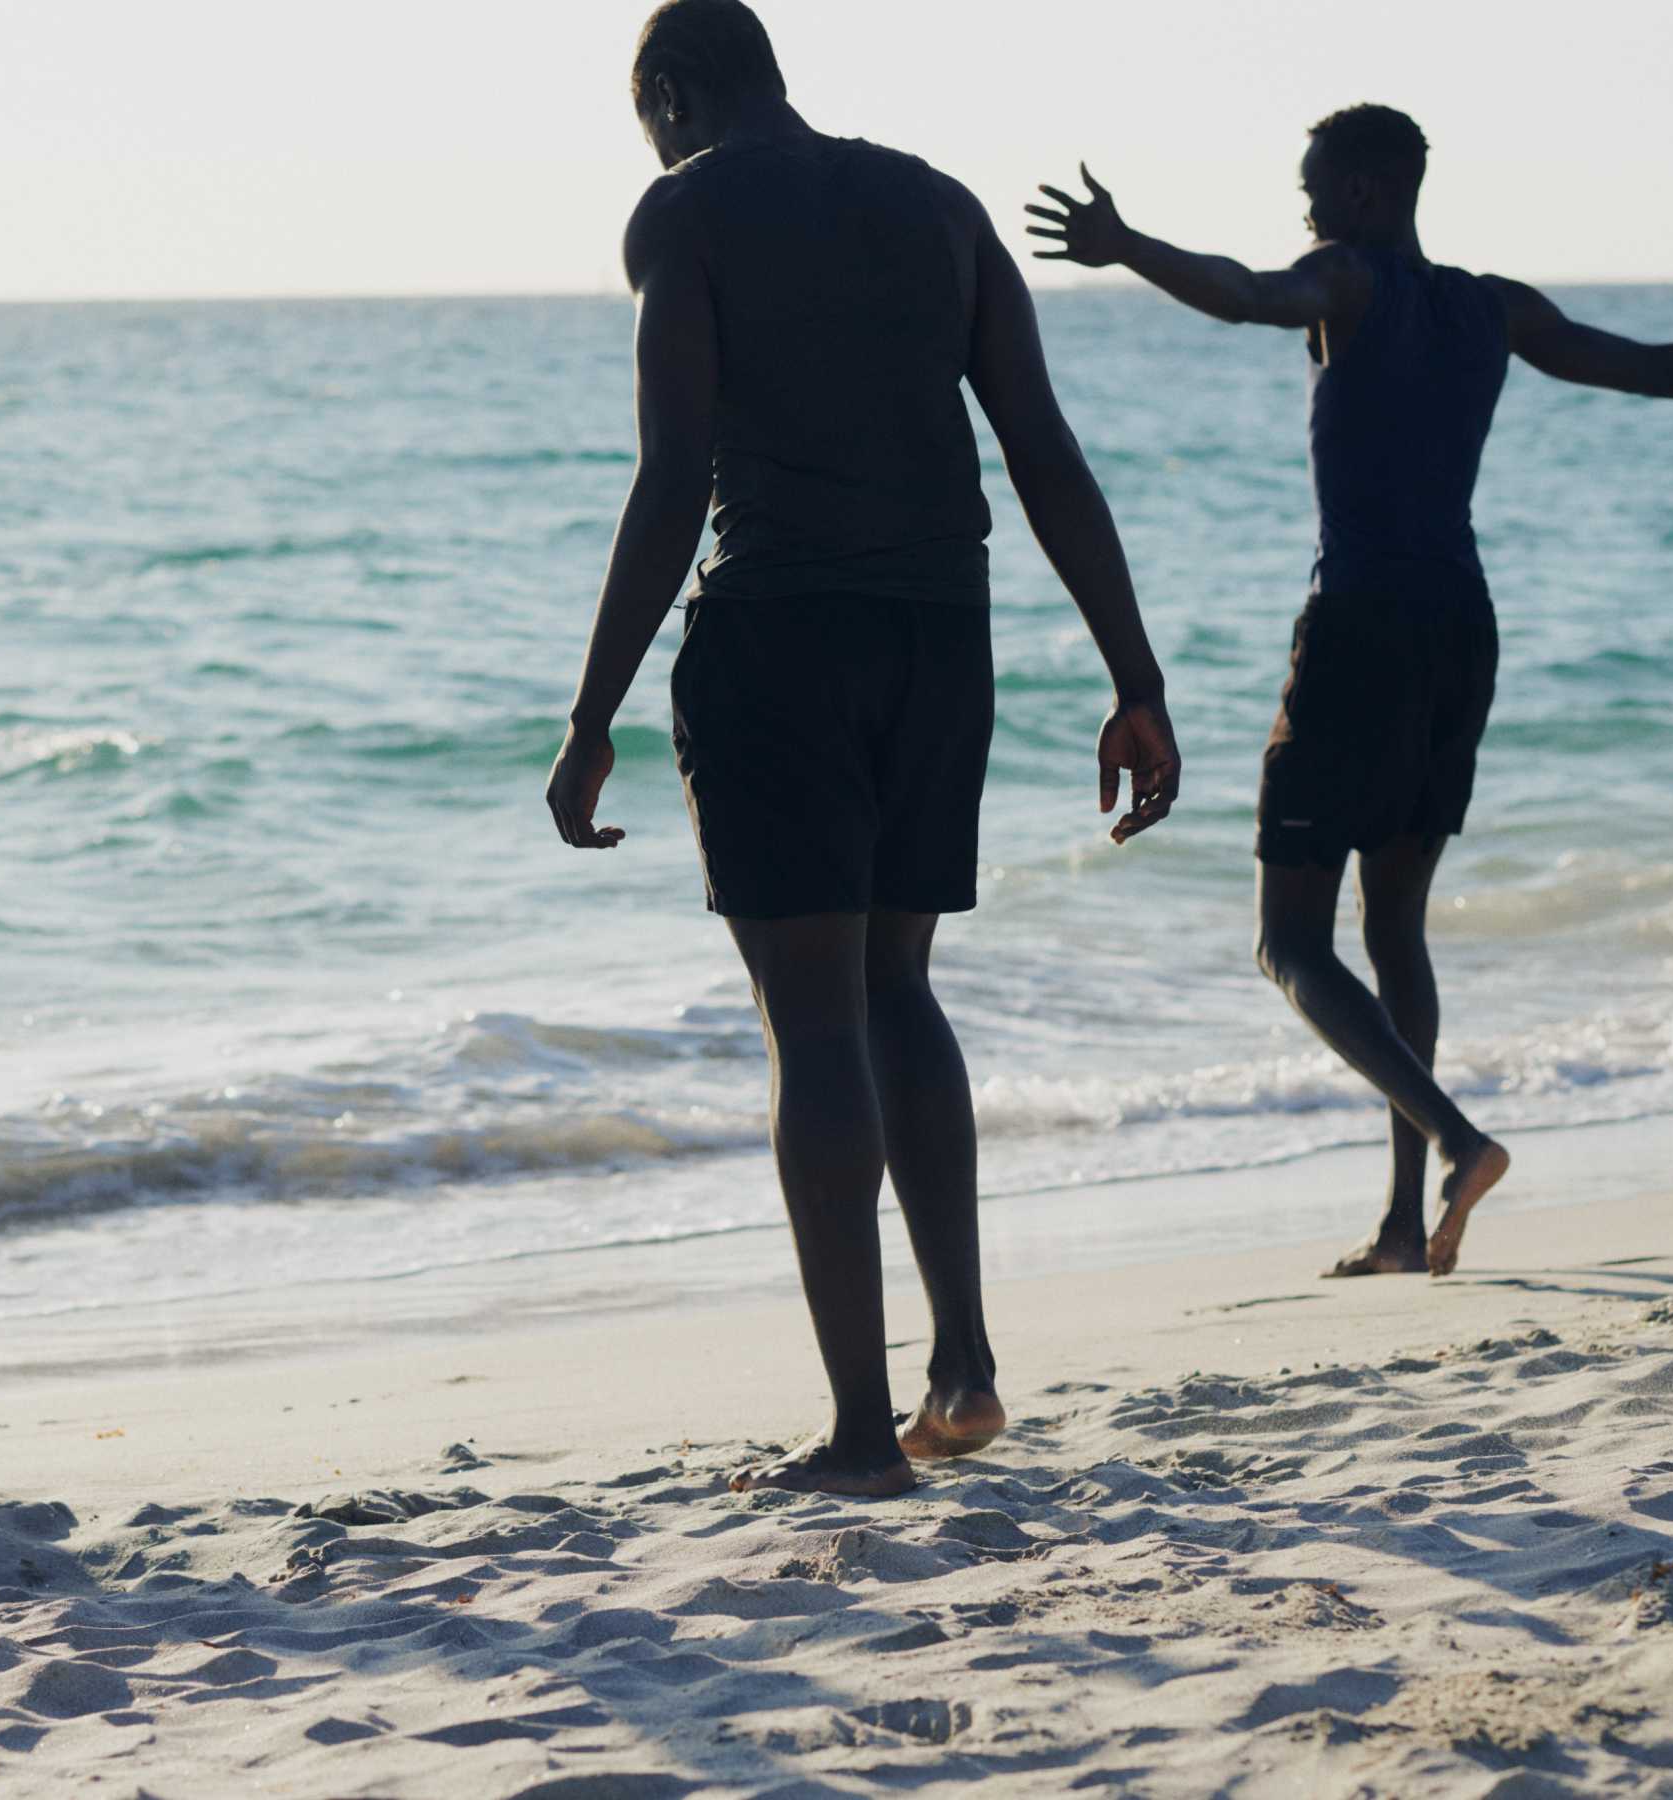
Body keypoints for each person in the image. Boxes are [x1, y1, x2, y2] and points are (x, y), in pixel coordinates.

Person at [545, 0, 1181, 1498]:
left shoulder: (683, 213)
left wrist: (590, 716)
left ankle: (854, 1434)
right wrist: (1135, 675)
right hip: (937, 637)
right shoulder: (941, 207)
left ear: (675, 94)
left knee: (815, 1023)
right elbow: (1044, 453)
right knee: (898, 989)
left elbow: (672, 474)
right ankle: (961, 1371)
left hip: (779, 637)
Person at [1028, 108, 1673, 1280]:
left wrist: (1126, 242)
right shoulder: (1491, 306)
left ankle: (1454, 1142)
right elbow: (1654, 368)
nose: (1300, 212)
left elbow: (1246, 293)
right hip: (1461, 629)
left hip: (1360, 628)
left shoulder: (1344, 283)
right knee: (1391, 925)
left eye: (1309, 190)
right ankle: (1404, 1226)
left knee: (1287, 941)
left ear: (1357, 191)